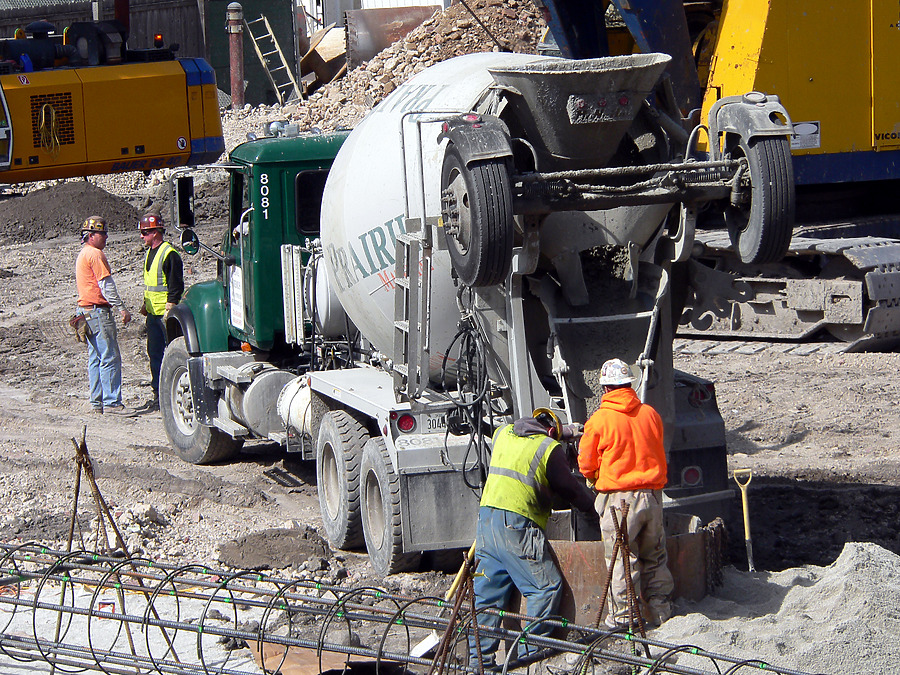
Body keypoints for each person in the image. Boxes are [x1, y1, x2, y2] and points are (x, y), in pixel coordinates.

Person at [470, 408, 597, 669]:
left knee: (488, 596)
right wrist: (593, 506)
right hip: (516, 526)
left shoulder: (504, 433)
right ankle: (526, 660)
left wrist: (568, 431)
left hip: (486, 522)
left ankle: (479, 664)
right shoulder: (548, 448)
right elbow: (569, 488)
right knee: (545, 587)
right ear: (551, 432)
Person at [578, 358, 674, 629]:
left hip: (619, 502)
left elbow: (586, 463)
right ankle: (659, 611)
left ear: (606, 389)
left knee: (622, 559)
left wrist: (593, 477)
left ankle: (624, 617)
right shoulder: (650, 414)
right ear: (629, 385)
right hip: (653, 497)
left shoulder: (599, 421)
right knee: (655, 555)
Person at [75, 216, 132, 414]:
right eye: (102, 233)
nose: (106, 237)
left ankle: (96, 402)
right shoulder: (95, 255)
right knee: (109, 357)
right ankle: (112, 403)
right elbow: (106, 286)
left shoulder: (83, 254)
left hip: (85, 312)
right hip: (98, 312)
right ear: (91, 236)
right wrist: (121, 308)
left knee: (95, 357)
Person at [136, 212, 183, 412]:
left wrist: (170, 306)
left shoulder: (169, 253)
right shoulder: (149, 252)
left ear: (156, 233)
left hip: (165, 316)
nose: (142, 237)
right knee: (154, 354)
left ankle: (170, 394)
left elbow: (175, 284)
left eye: (145, 233)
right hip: (153, 314)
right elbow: (152, 284)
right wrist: (146, 305)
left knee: (171, 355)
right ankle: (158, 394)